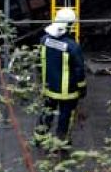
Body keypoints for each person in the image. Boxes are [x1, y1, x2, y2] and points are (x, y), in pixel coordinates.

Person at [35, 8, 86, 145]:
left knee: (47, 112)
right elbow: (79, 70)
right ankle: (61, 141)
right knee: (65, 116)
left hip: (48, 87)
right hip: (67, 92)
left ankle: (40, 137)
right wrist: (82, 88)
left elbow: (38, 63)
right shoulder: (72, 47)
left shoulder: (44, 40)